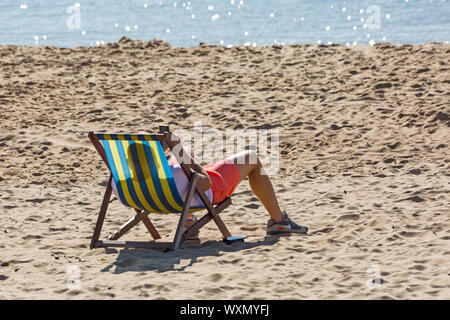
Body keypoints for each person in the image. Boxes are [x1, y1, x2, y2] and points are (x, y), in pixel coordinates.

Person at [164, 132, 308, 236]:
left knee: (188, 150)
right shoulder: (172, 169)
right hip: (205, 190)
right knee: (251, 157)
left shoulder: (150, 177)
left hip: (170, 195)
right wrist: (179, 151)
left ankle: (188, 219)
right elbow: (206, 182)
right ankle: (279, 221)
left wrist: (177, 151)